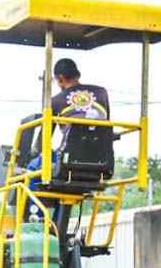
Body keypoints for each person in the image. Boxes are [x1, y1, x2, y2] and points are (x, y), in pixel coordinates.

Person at [27, 57, 111, 189]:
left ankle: (33, 209)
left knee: (33, 168)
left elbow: (44, 139)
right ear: (78, 75)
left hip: (69, 161)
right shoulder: (102, 93)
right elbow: (106, 126)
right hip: (102, 160)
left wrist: (33, 152)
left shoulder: (54, 101)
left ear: (60, 78)